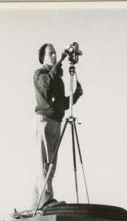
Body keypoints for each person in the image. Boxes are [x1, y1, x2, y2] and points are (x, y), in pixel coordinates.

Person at [32, 43, 83, 209]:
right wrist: (61, 60)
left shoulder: (57, 78)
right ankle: (45, 200)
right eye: (51, 54)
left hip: (56, 121)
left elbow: (62, 105)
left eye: (55, 53)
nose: (54, 55)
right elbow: (45, 87)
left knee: (51, 164)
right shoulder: (40, 73)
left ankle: (42, 200)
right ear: (43, 58)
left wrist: (75, 96)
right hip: (44, 121)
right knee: (44, 162)